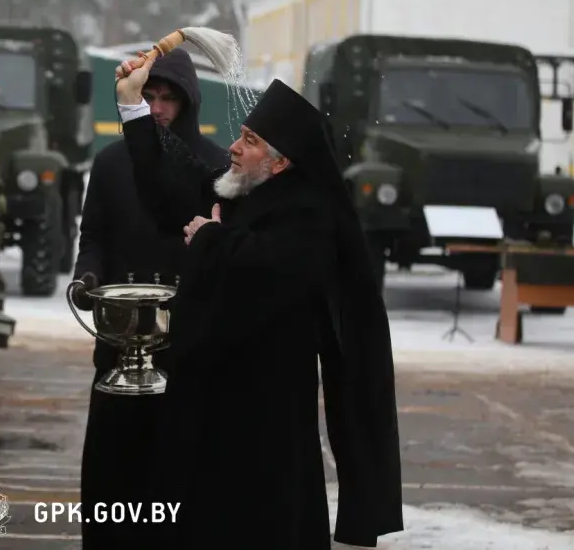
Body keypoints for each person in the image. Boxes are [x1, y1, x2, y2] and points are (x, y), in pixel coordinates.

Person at [115, 58, 403, 550]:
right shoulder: (247, 189)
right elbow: (173, 185)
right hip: (211, 410)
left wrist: (210, 240)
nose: (234, 147)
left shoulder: (310, 213)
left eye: (249, 141)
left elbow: (276, 271)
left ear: (281, 161)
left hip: (264, 422)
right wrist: (132, 104)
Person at [70, 48, 227, 550]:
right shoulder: (111, 162)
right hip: (118, 336)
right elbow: (92, 234)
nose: (156, 108)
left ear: (189, 103)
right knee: (113, 465)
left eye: (168, 99)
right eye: (147, 96)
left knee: (177, 464)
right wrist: (87, 278)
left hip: (184, 340)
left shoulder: (215, 165)